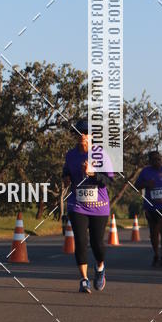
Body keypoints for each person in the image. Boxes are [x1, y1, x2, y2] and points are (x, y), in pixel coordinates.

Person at [62, 119, 113, 293]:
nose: (82, 136)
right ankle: (84, 279)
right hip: (77, 205)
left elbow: (108, 180)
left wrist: (93, 173)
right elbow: (66, 171)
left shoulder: (101, 155)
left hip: (99, 206)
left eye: (85, 133)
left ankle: (100, 267)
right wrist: (66, 178)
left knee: (97, 244)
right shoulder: (71, 155)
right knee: (81, 241)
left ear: (92, 136)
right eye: (79, 133)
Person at [135, 151, 162, 267]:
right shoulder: (145, 172)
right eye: (154, 160)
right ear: (150, 161)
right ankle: (156, 254)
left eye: (159, 159)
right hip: (150, 206)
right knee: (154, 232)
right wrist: (146, 184)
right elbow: (136, 186)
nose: (157, 161)